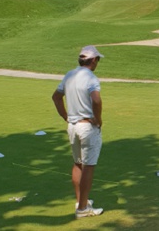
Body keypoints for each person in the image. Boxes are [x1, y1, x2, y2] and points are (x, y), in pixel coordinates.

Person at [52, 45, 105, 218]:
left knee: (78, 163)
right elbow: (96, 100)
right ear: (93, 60)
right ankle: (82, 209)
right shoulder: (91, 78)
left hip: (73, 126)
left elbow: (56, 97)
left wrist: (66, 116)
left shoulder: (70, 75)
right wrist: (98, 119)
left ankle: (81, 201)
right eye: (97, 59)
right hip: (87, 127)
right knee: (88, 166)